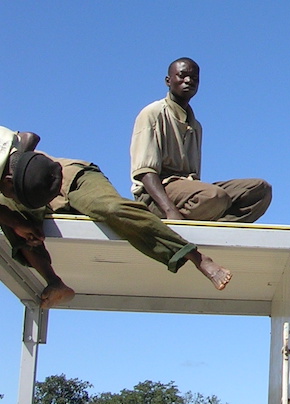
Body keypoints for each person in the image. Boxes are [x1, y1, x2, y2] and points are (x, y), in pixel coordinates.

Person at [0, 126, 232, 305]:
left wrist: (24, 167)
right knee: (11, 217)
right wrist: (15, 220)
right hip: (28, 195)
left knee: (111, 210)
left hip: (65, 177)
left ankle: (197, 258)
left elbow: (30, 137)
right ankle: (54, 282)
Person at [130, 57, 272, 222]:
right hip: (155, 196)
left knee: (260, 190)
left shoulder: (195, 126)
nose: (188, 81)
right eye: (182, 76)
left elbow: (194, 177)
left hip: (189, 192)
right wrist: (170, 211)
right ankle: (187, 220)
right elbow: (145, 173)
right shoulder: (153, 113)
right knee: (214, 197)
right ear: (168, 81)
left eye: (194, 78)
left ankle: (215, 229)